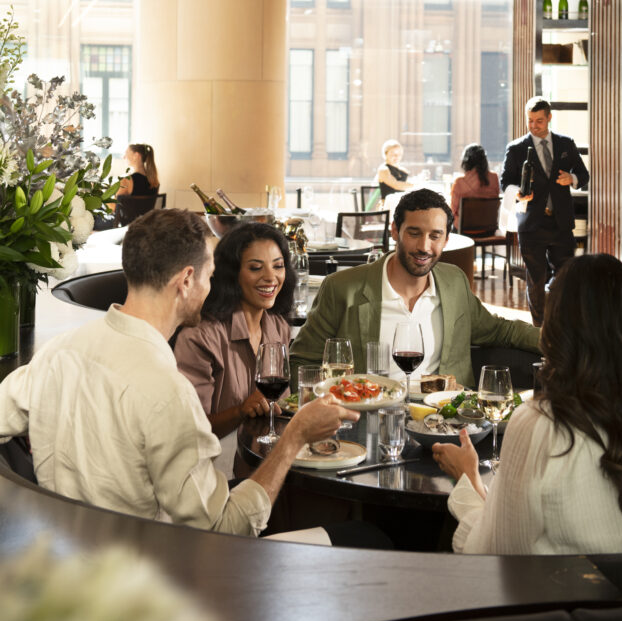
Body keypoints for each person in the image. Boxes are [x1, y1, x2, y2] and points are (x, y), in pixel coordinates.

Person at [0, 209, 357, 537]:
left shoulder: (58, 352)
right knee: (362, 536)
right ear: (187, 280)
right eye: (210, 276)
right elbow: (224, 528)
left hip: (63, 552)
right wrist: (294, 437)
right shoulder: (167, 391)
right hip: (155, 566)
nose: (212, 288)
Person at [435, 254, 622, 555]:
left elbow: (489, 554)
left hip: (565, 586)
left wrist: (469, 482)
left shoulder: (539, 425)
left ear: (556, 335)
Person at [290, 189, 540, 390]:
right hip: (366, 422)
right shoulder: (342, 288)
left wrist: (556, 340)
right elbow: (302, 361)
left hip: (444, 423)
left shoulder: (454, 282)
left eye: (435, 236)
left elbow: (500, 330)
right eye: (414, 233)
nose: (424, 246)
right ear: (395, 231)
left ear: (446, 239)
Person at [174, 222, 294, 439]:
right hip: (218, 456)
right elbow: (190, 429)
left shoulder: (279, 326)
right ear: (232, 274)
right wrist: (240, 411)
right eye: (256, 268)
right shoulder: (200, 337)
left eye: (278, 266)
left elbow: (281, 407)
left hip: (265, 450)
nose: (271, 277)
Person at [500, 96, 589, 326]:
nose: (534, 126)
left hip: (561, 223)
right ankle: (539, 329)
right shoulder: (516, 149)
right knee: (536, 280)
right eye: (530, 120)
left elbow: (584, 175)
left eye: (539, 121)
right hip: (531, 224)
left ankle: (561, 324)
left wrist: (572, 178)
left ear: (549, 118)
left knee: (566, 276)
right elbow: (505, 182)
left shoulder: (566, 144)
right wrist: (518, 193)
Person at [450, 144, 500, 231]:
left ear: (466, 161)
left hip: (464, 231)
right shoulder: (494, 178)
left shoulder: (459, 183)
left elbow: (452, 212)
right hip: (488, 230)